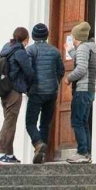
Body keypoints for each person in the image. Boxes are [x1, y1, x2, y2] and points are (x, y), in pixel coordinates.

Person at [0, 27, 35, 165]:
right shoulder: (20, 52)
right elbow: (29, 71)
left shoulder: (7, 48)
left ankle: (9, 154)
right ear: (26, 39)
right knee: (9, 122)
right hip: (15, 91)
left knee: (10, 121)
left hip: (5, 90)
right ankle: (1, 153)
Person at [24, 23, 64, 163]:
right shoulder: (55, 51)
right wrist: (54, 82)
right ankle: (42, 156)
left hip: (36, 91)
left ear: (34, 36)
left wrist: (28, 88)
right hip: (51, 92)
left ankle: (38, 143)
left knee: (30, 122)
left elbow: (27, 70)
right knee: (45, 123)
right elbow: (61, 71)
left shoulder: (30, 50)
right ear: (46, 35)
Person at [66, 22, 96, 164]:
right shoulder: (89, 48)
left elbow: (81, 68)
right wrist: (71, 51)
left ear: (76, 36)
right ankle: (86, 153)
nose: (71, 38)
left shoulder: (83, 48)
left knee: (77, 121)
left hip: (82, 90)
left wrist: (68, 78)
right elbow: (83, 60)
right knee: (83, 121)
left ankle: (82, 152)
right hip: (89, 90)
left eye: (72, 35)